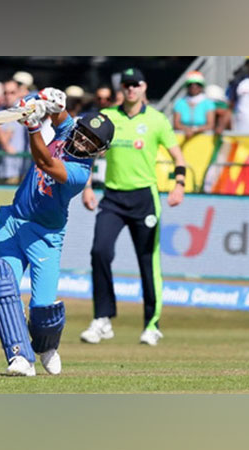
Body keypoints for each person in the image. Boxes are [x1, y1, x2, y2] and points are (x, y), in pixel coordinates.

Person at [0, 87, 115, 376]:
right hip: (14, 222)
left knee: (43, 309)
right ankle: (19, 357)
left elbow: (43, 161)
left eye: (92, 142)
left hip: (46, 236)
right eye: (82, 133)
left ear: (99, 151)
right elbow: (59, 114)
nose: (82, 141)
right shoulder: (68, 130)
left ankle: (47, 344)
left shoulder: (80, 174)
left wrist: (32, 127)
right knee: (0, 283)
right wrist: (46, 98)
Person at [80, 68, 186, 347]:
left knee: (147, 262)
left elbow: (178, 155)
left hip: (144, 198)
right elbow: (90, 151)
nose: (130, 89)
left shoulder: (156, 119)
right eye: (126, 85)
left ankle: (152, 324)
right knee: (100, 251)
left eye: (135, 84)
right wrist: (87, 186)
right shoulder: (110, 118)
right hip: (113, 198)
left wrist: (179, 185)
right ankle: (102, 319)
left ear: (144, 87)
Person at [173, 71, 215, 141]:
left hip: (204, 140)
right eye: (191, 84)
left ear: (201, 86)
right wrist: (187, 129)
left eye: (197, 84)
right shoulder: (179, 103)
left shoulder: (208, 103)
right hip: (182, 139)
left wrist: (194, 130)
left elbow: (210, 125)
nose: (194, 87)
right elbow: (176, 124)